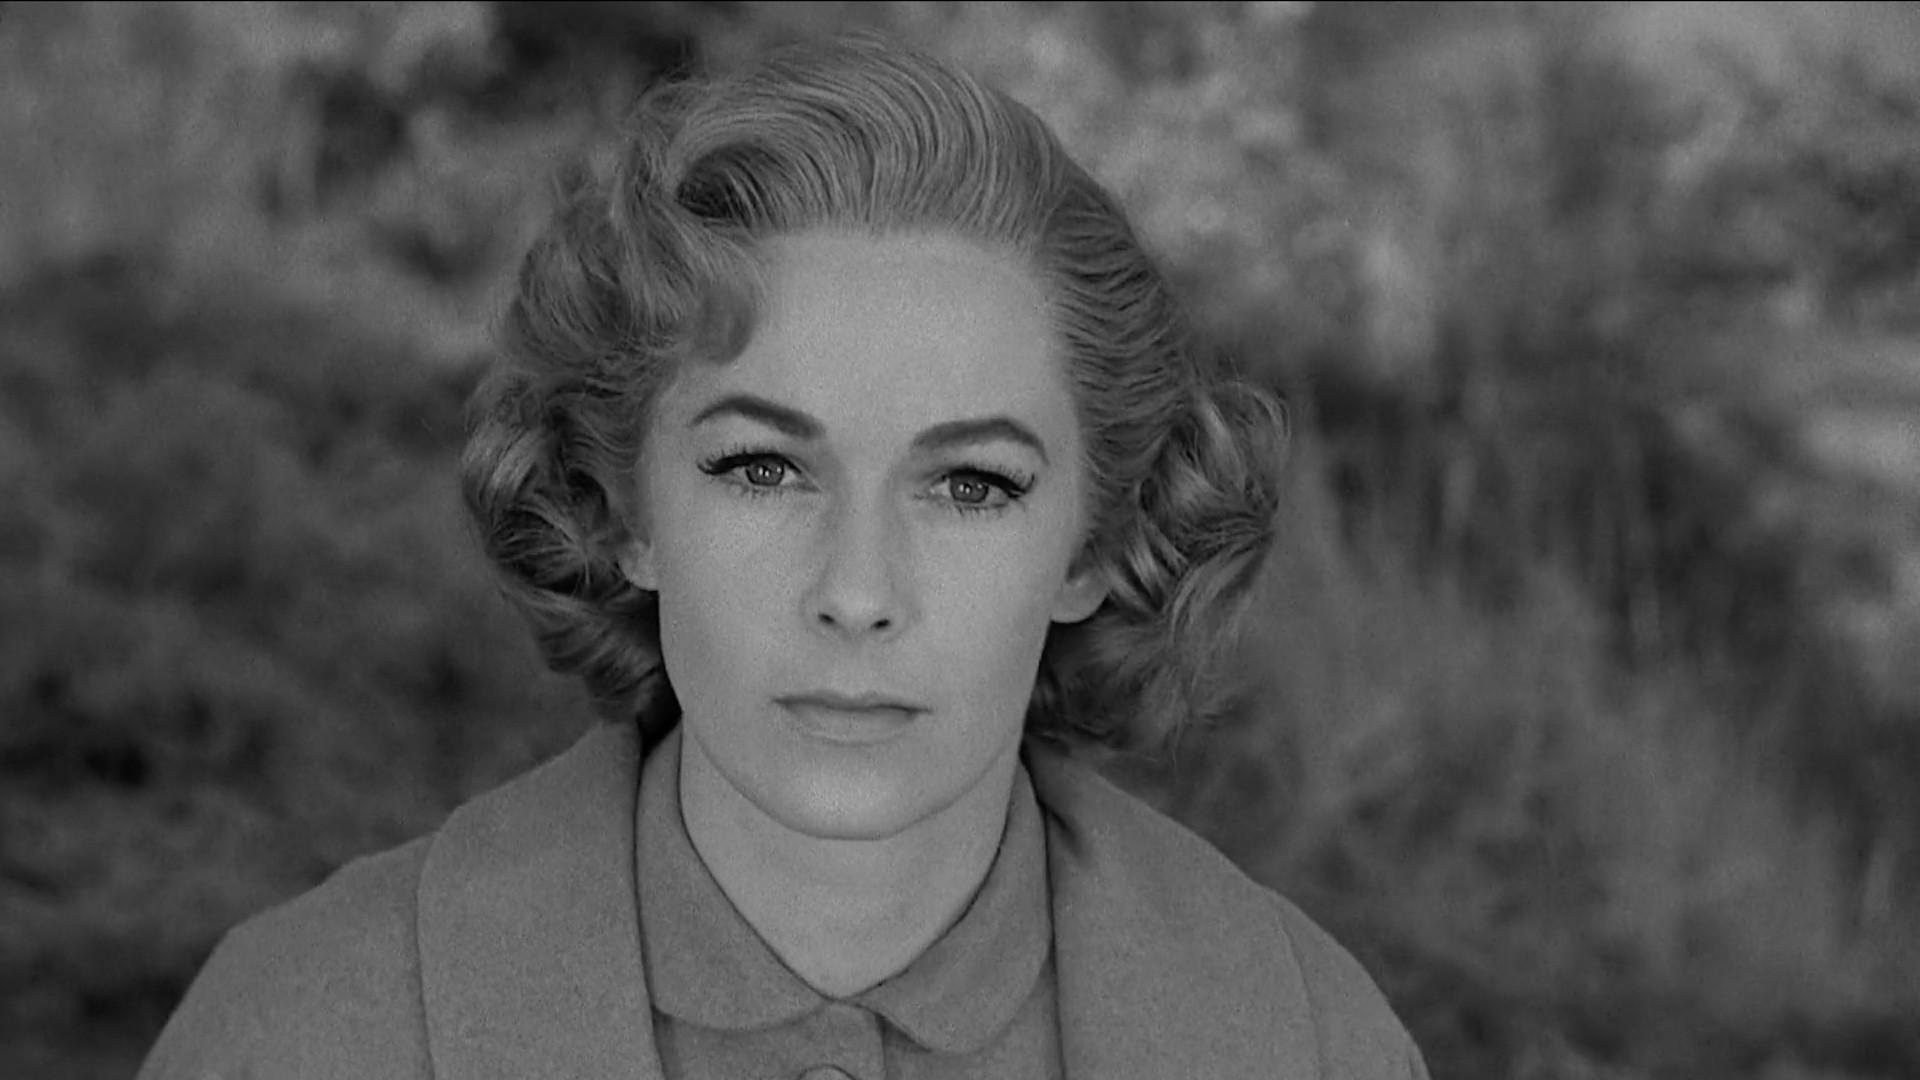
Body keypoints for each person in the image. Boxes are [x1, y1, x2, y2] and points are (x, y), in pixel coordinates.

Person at [137, 33, 1429, 1080]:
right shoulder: (294, 1032)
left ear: (1094, 546)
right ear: (622, 508)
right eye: (761, 468)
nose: (857, 594)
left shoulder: (1319, 1047)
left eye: (971, 485)